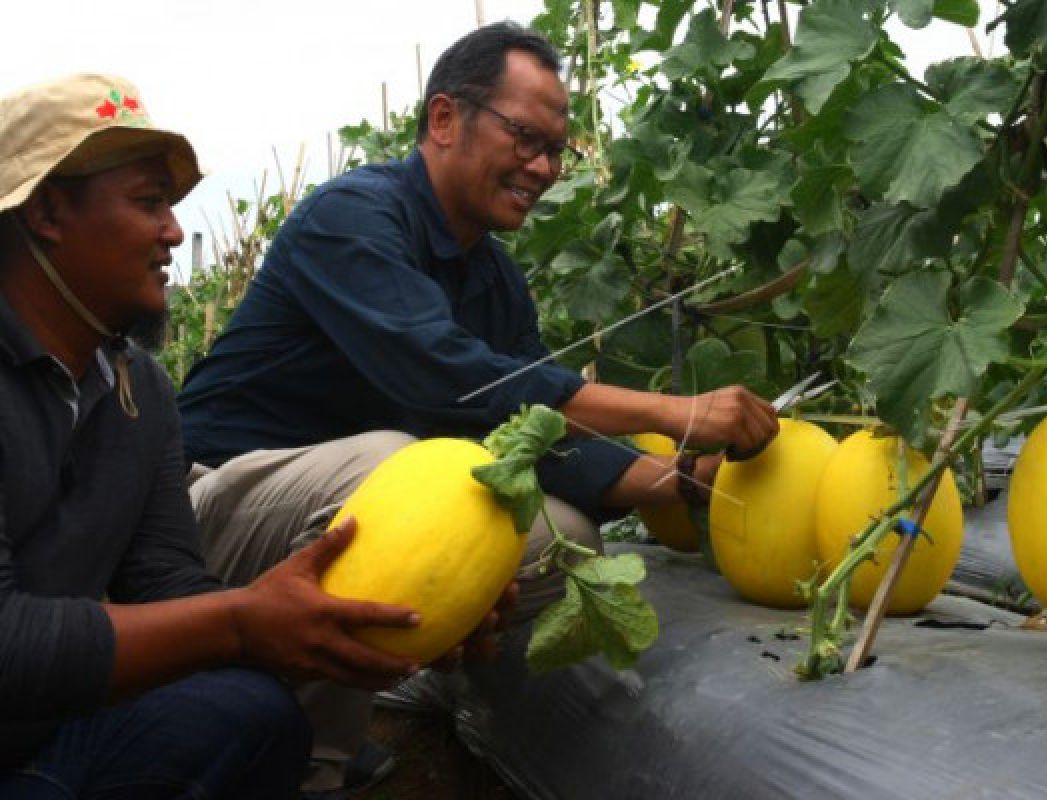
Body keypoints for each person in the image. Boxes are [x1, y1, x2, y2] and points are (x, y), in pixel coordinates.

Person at [177, 21, 779, 795]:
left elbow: (528, 430)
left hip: (335, 508)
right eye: (525, 137)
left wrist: (674, 483)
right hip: (204, 509)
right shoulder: (353, 216)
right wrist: (673, 411)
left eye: (555, 150)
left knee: (563, 537)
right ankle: (308, 768)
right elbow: (446, 377)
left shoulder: (493, 279)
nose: (543, 167)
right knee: (402, 471)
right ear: (443, 120)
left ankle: (300, 706)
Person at [0, 73, 442, 799]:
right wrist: (240, 623)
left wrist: (379, 618)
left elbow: (167, 586)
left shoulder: (137, 389)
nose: (173, 231)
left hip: (47, 729)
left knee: (253, 716)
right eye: (149, 204)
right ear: (47, 212)